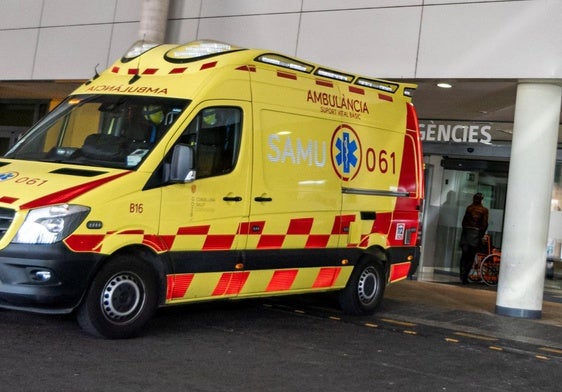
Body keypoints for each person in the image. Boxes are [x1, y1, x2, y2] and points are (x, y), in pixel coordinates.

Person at [459, 192, 489, 284]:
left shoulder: (469, 208)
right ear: (481, 200)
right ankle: (465, 276)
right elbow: (484, 224)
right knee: (471, 257)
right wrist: (481, 234)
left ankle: (462, 275)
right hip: (475, 235)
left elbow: (463, 222)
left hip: (466, 234)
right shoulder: (484, 210)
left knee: (464, 256)